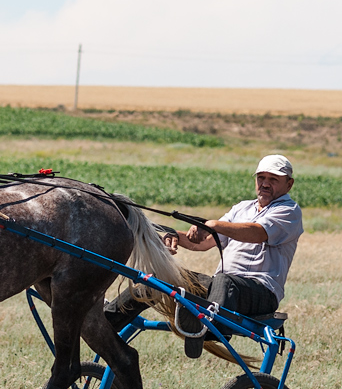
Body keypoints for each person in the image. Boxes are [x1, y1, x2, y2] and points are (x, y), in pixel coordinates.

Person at [104, 154, 303, 359]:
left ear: (289, 184)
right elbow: (203, 242)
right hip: (222, 292)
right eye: (261, 178)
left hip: (261, 294)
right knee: (156, 280)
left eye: (273, 179)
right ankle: (105, 321)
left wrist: (213, 225)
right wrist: (175, 235)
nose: (265, 184)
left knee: (225, 281)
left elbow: (257, 233)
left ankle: (206, 329)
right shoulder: (242, 208)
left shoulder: (290, 211)